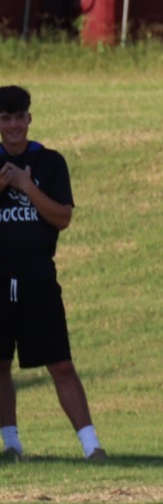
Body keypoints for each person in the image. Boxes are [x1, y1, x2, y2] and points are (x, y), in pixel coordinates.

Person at [0, 85, 104, 462]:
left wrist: (26, 186)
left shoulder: (50, 162)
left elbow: (63, 218)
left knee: (60, 362)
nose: (13, 125)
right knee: (0, 365)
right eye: (5, 118)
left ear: (29, 118)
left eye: (19, 117)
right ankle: (11, 445)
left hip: (37, 279)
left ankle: (92, 446)